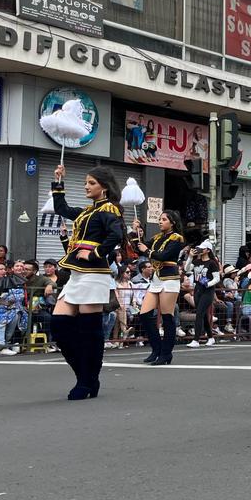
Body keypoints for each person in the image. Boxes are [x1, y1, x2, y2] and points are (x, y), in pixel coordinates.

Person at [49, 165, 124, 400]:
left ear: (104, 186)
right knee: (59, 324)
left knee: (90, 331)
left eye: (91, 183)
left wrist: (94, 253)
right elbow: (61, 208)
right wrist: (59, 181)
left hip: (94, 274)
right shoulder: (86, 212)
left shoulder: (109, 209)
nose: (86, 187)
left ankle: (86, 381)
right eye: (85, 183)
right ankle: (86, 376)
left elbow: (117, 235)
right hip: (76, 275)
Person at [132, 212, 185, 365]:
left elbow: (163, 255)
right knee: (144, 314)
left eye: (164, 219)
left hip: (169, 279)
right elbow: (138, 249)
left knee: (167, 317)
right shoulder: (156, 238)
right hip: (156, 279)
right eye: (160, 219)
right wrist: (136, 233)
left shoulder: (177, 238)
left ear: (172, 222)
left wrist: (147, 251)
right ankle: (156, 349)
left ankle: (166, 353)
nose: (160, 222)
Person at [187, 242, 221, 348]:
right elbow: (187, 269)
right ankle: (211, 337)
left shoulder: (212, 263)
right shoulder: (197, 261)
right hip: (198, 289)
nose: (200, 250)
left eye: (202, 249)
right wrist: (190, 257)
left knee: (199, 313)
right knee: (203, 314)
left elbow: (217, 278)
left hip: (208, 291)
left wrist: (208, 284)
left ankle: (196, 340)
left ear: (208, 250)